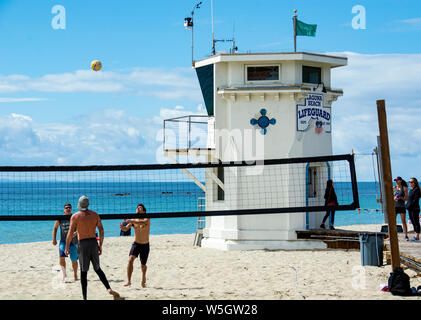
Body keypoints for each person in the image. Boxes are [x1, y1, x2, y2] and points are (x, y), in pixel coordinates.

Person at [65, 195, 121, 300]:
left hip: (83, 243)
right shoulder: (95, 215)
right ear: (88, 204)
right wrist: (100, 245)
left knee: (83, 271)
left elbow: (70, 233)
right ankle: (108, 288)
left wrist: (67, 247)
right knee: (98, 268)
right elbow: (101, 231)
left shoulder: (75, 216)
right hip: (93, 242)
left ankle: (85, 298)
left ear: (79, 205)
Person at [120, 203, 150, 288]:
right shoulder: (133, 219)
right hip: (136, 244)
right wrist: (122, 227)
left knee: (143, 265)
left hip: (145, 245)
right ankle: (129, 281)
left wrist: (130, 221)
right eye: (137, 208)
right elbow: (126, 229)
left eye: (140, 208)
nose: (138, 209)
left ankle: (143, 276)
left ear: (144, 210)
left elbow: (142, 222)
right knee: (130, 260)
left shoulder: (147, 217)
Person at [52, 203, 79, 281]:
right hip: (63, 242)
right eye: (66, 208)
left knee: (74, 260)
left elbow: (80, 227)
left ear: (71, 209)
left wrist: (76, 233)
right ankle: (63, 274)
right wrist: (54, 239)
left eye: (69, 207)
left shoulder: (74, 217)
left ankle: (75, 275)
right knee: (61, 258)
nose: (68, 209)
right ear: (64, 210)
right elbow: (55, 228)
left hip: (73, 242)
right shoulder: (60, 218)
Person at [393, 176, 409, 241]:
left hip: (402, 206)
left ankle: (406, 236)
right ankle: (393, 236)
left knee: (403, 221)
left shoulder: (404, 188)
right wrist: (394, 198)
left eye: (397, 180)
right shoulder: (393, 188)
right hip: (395, 206)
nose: (396, 181)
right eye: (395, 180)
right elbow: (391, 197)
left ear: (400, 181)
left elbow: (406, 198)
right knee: (393, 222)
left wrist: (401, 198)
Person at [406, 178, 420, 242]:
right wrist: (406, 205)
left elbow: (415, 200)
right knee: (413, 222)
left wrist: (409, 205)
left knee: (416, 222)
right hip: (410, 208)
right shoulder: (411, 190)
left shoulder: (416, 190)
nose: (410, 183)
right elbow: (409, 199)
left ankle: (417, 236)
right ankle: (415, 236)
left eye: (411, 182)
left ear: (414, 183)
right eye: (409, 182)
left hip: (415, 208)